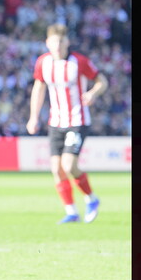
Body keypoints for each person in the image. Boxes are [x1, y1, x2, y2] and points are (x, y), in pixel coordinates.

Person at [26, 23, 108, 224]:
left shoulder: (79, 62)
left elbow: (102, 81)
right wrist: (33, 117)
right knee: (56, 169)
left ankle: (91, 198)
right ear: (47, 43)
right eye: (54, 42)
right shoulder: (42, 63)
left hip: (77, 120)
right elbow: (39, 89)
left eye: (61, 42)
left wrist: (93, 93)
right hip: (55, 122)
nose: (58, 46)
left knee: (69, 164)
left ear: (67, 42)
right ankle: (71, 211)